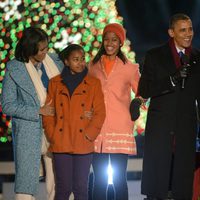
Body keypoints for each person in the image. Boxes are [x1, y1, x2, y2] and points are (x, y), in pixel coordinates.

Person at [138, 13, 200, 200]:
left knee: (182, 186)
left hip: (185, 128)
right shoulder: (155, 55)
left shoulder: (197, 58)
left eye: (190, 29)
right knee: (158, 187)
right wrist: (172, 80)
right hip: (161, 128)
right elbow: (145, 89)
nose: (188, 34)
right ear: (171, 32)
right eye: (183, 30)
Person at [1, 27, 63, 200]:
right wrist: (37, 111)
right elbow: (7, 105)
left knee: (59, 182)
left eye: (46, 48)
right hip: (29, 132)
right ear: (30, 48)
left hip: (56, 130)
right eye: (41, 49)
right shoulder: (15, 68)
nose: (46, 52)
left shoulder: (54, 61)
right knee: (26, 186)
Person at [42, 44, 106, 200]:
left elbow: (100, 113)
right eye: (75, 59)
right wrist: (53, 135)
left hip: (83, 142)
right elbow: (49, 113)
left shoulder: (93, 83)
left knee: (81, 188)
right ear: (66, 61)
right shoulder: (55, 83)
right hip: (61, 142)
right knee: (63, 189)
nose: (81, 63)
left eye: (82, 59)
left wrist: (89, 135)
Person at [89, 23, 141, 200]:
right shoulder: (92, 66)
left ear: (120, 43)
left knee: (119, 180)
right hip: (97, 129)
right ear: (102, 41)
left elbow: (142, 91)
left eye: (114, 40)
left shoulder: (130, 68)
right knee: (99, 181)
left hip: (120, 127)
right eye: (106, 39)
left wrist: (137, 101)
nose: (109, 43)